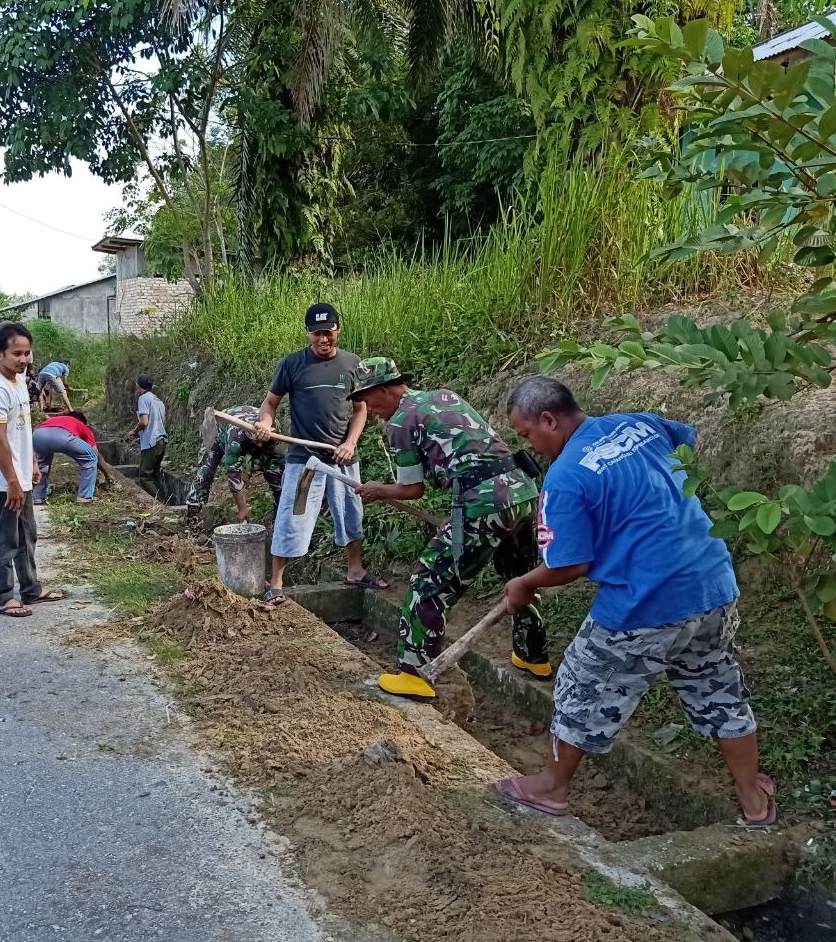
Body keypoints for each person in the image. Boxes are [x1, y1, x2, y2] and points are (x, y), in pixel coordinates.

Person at [497, 376, 774, 826]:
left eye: (527, 433)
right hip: (711, 584)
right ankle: (753, 800)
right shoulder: (640, 424)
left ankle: (551, 787)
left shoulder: (566, 477)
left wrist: (525, 584)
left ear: (549, 418)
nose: (530, 444)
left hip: (645, 601)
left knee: (580, 684)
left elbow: (570, 565)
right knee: (718, 689)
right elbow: (686, 443)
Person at [350, 357, 550, 699]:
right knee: (520, 579)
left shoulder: (400, 421)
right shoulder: (444, 397)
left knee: (428, 584)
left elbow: (412, 489)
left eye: (367, 401)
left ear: (382, 390)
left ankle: (413, 673)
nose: (369, 410)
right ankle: (533, 657)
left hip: (482, 504)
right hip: (522, 493)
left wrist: (377, 490)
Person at [255, 303, 382, 605]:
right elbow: (270, 403)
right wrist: (264, 423)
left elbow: (360, 409)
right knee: (292, 517)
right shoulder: (292, 364)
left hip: (342, 458)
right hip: (304, 460)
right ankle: (275, 584)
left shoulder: (353, 364)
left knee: (352, 513)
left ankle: (354, 571)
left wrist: (350, 443)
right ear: (308, 333)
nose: (323, 340)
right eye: (317, 334)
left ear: (338, 329)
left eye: (328, 332)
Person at [0, 322, 64, 618]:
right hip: (3, 481)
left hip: (19, 475)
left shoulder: (19, 380)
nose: (24, 359)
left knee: (27, 534)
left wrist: (33, 464)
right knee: (6, 538)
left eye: (27, 353)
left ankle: (31, 589)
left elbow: (21, 431)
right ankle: (3, 596)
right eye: (16, 353)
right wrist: (12, 480)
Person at [185, 405, 285, 524]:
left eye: (262, 442)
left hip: (260, 435)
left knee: (277, 478)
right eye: (256, 441)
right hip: (217, 429)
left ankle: (280, 522)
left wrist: (248, 471)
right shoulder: (236, 437)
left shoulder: (275, 431)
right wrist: (242, 509)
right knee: (206, 471)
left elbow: (274, 460)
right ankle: (193, 519)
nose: (259, 445)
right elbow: (233, 474)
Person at [33, 411, 113, 504]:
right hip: (61, 435)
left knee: (43, 465)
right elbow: (95, 453)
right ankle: (84, 496)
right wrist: (107, 474)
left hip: (37, 435)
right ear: (83, 422)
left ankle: (37, 497)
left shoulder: (54, 419)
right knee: (90, 458)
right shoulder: (82, 425)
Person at [130, 374, 167, 498]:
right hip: (162, 440)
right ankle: (162, 501)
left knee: (145, 476)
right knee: (154, 474)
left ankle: (159, 503)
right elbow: (164, 421)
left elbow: (144, 422)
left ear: (138, 385)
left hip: (151, 441)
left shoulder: (143, 399)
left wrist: (134, 432)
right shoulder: (158, 400)